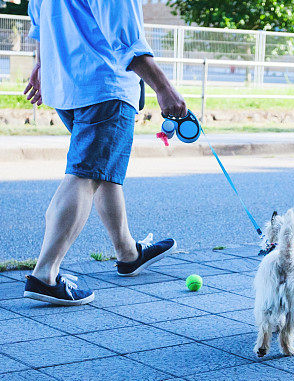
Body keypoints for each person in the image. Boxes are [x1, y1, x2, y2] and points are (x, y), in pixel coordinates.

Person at [22, 0, 187, 306]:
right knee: (85, 176)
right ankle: (45, 274)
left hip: (67, 85)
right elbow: (125, 37)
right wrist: (164, 88)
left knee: (102, 171)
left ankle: (128, 253)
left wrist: (42, 64)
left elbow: (41, 22)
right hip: (104, 84)